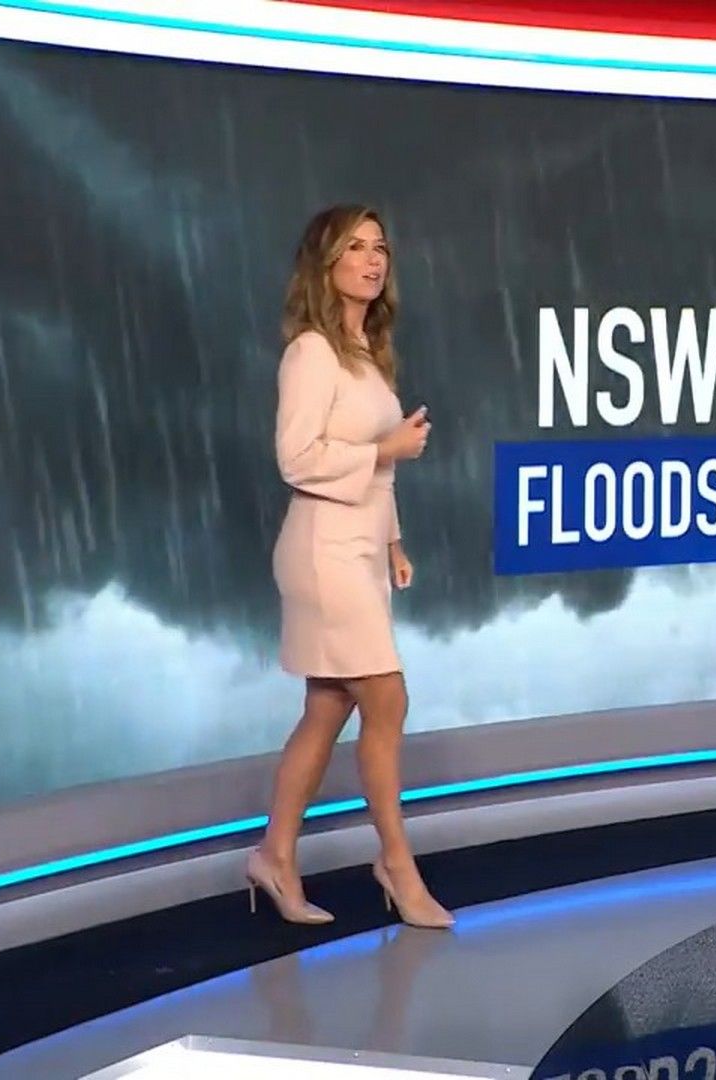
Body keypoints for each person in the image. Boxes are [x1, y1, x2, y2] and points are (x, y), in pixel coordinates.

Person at [244, 204, 453, 930]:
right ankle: (396, 865)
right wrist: (385, 449)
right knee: (386, 699)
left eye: (380, 247)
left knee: (328, 706)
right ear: (325, 263)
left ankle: (274, 856)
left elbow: (378, 474)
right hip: (322, 550)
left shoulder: (367, 354)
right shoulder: (311, 352)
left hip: (360, 551)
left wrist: (393, 542)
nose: (373, 260)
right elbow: (296, 459)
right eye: (355, 247)